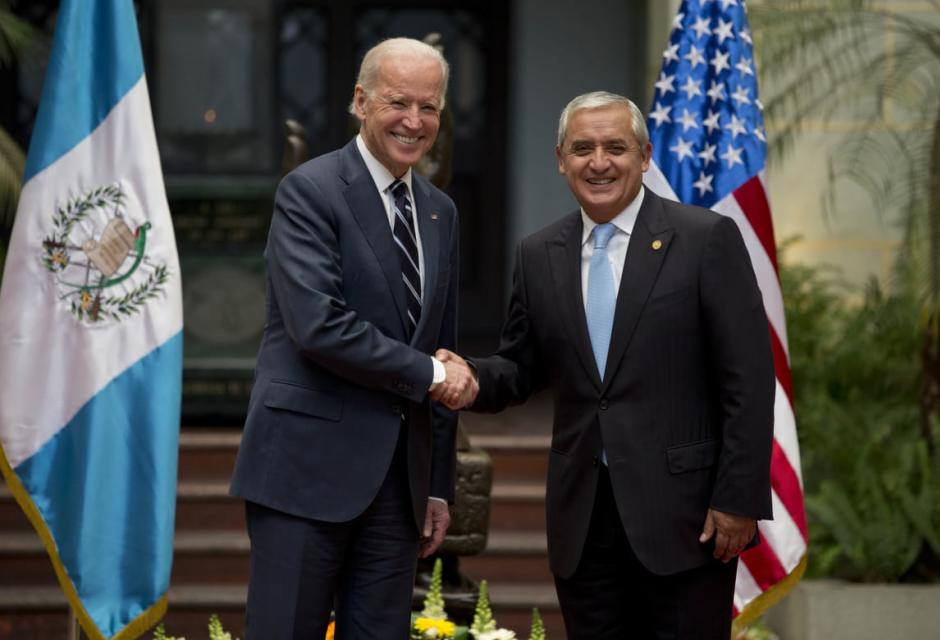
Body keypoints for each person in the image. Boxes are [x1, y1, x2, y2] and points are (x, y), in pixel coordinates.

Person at [438, 91, 774, 639]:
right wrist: (470, 376)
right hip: (583, 522)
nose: (599, 162)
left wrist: (737, 498)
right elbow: (522, 366)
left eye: (616, 147)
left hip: (687, 521)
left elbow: (749, 380)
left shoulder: (704, 238)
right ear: (560, 160)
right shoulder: (538, 252)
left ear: (644, 157)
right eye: (583, 148)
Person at [230, 37, 474, 639]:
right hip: (303, 473)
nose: (414, 122)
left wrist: (437, 486)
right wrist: (435, 376)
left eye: (430, 107)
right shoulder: (309, 191)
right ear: (360, 101)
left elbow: (439, 345)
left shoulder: (441, 212)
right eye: (398, 102)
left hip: (398, 490)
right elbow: (320, 326)